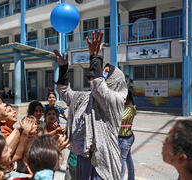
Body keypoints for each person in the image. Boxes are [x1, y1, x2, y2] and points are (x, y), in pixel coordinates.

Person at [55, 30, 128, 180]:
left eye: (106, 72)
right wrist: (63, 68)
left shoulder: (116, 99)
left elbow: (98, 86)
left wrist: (95, 57)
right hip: (82, 158)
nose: (102, 73)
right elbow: (65, 92)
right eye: (102, 71)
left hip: (103, 161)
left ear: (116, 79)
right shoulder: (87, 97)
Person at [118, 90, 137, 180]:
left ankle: (121, 178)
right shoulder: (129, 107)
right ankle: (131, 178)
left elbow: (120, 118)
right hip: (126, 137)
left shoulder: (130, 109)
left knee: (123, 160)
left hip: (125, 138)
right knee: (128, 158)